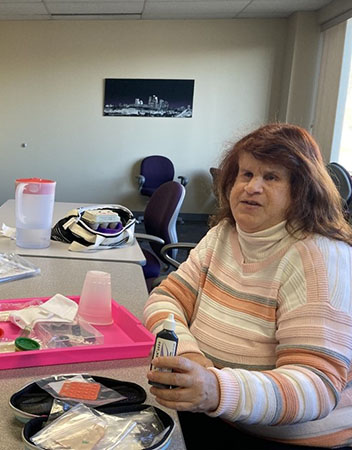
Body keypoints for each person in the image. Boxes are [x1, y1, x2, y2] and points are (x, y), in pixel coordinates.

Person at [144, 123, 352, 449]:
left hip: (287, 439)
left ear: (302, 190)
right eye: (245, 174)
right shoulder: (226, 234)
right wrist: (189, 355)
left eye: (271, 177)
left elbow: (318, 385)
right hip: (215, 413)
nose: (252, 187)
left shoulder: (320, 257)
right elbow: (166, 297)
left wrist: (216, 388)